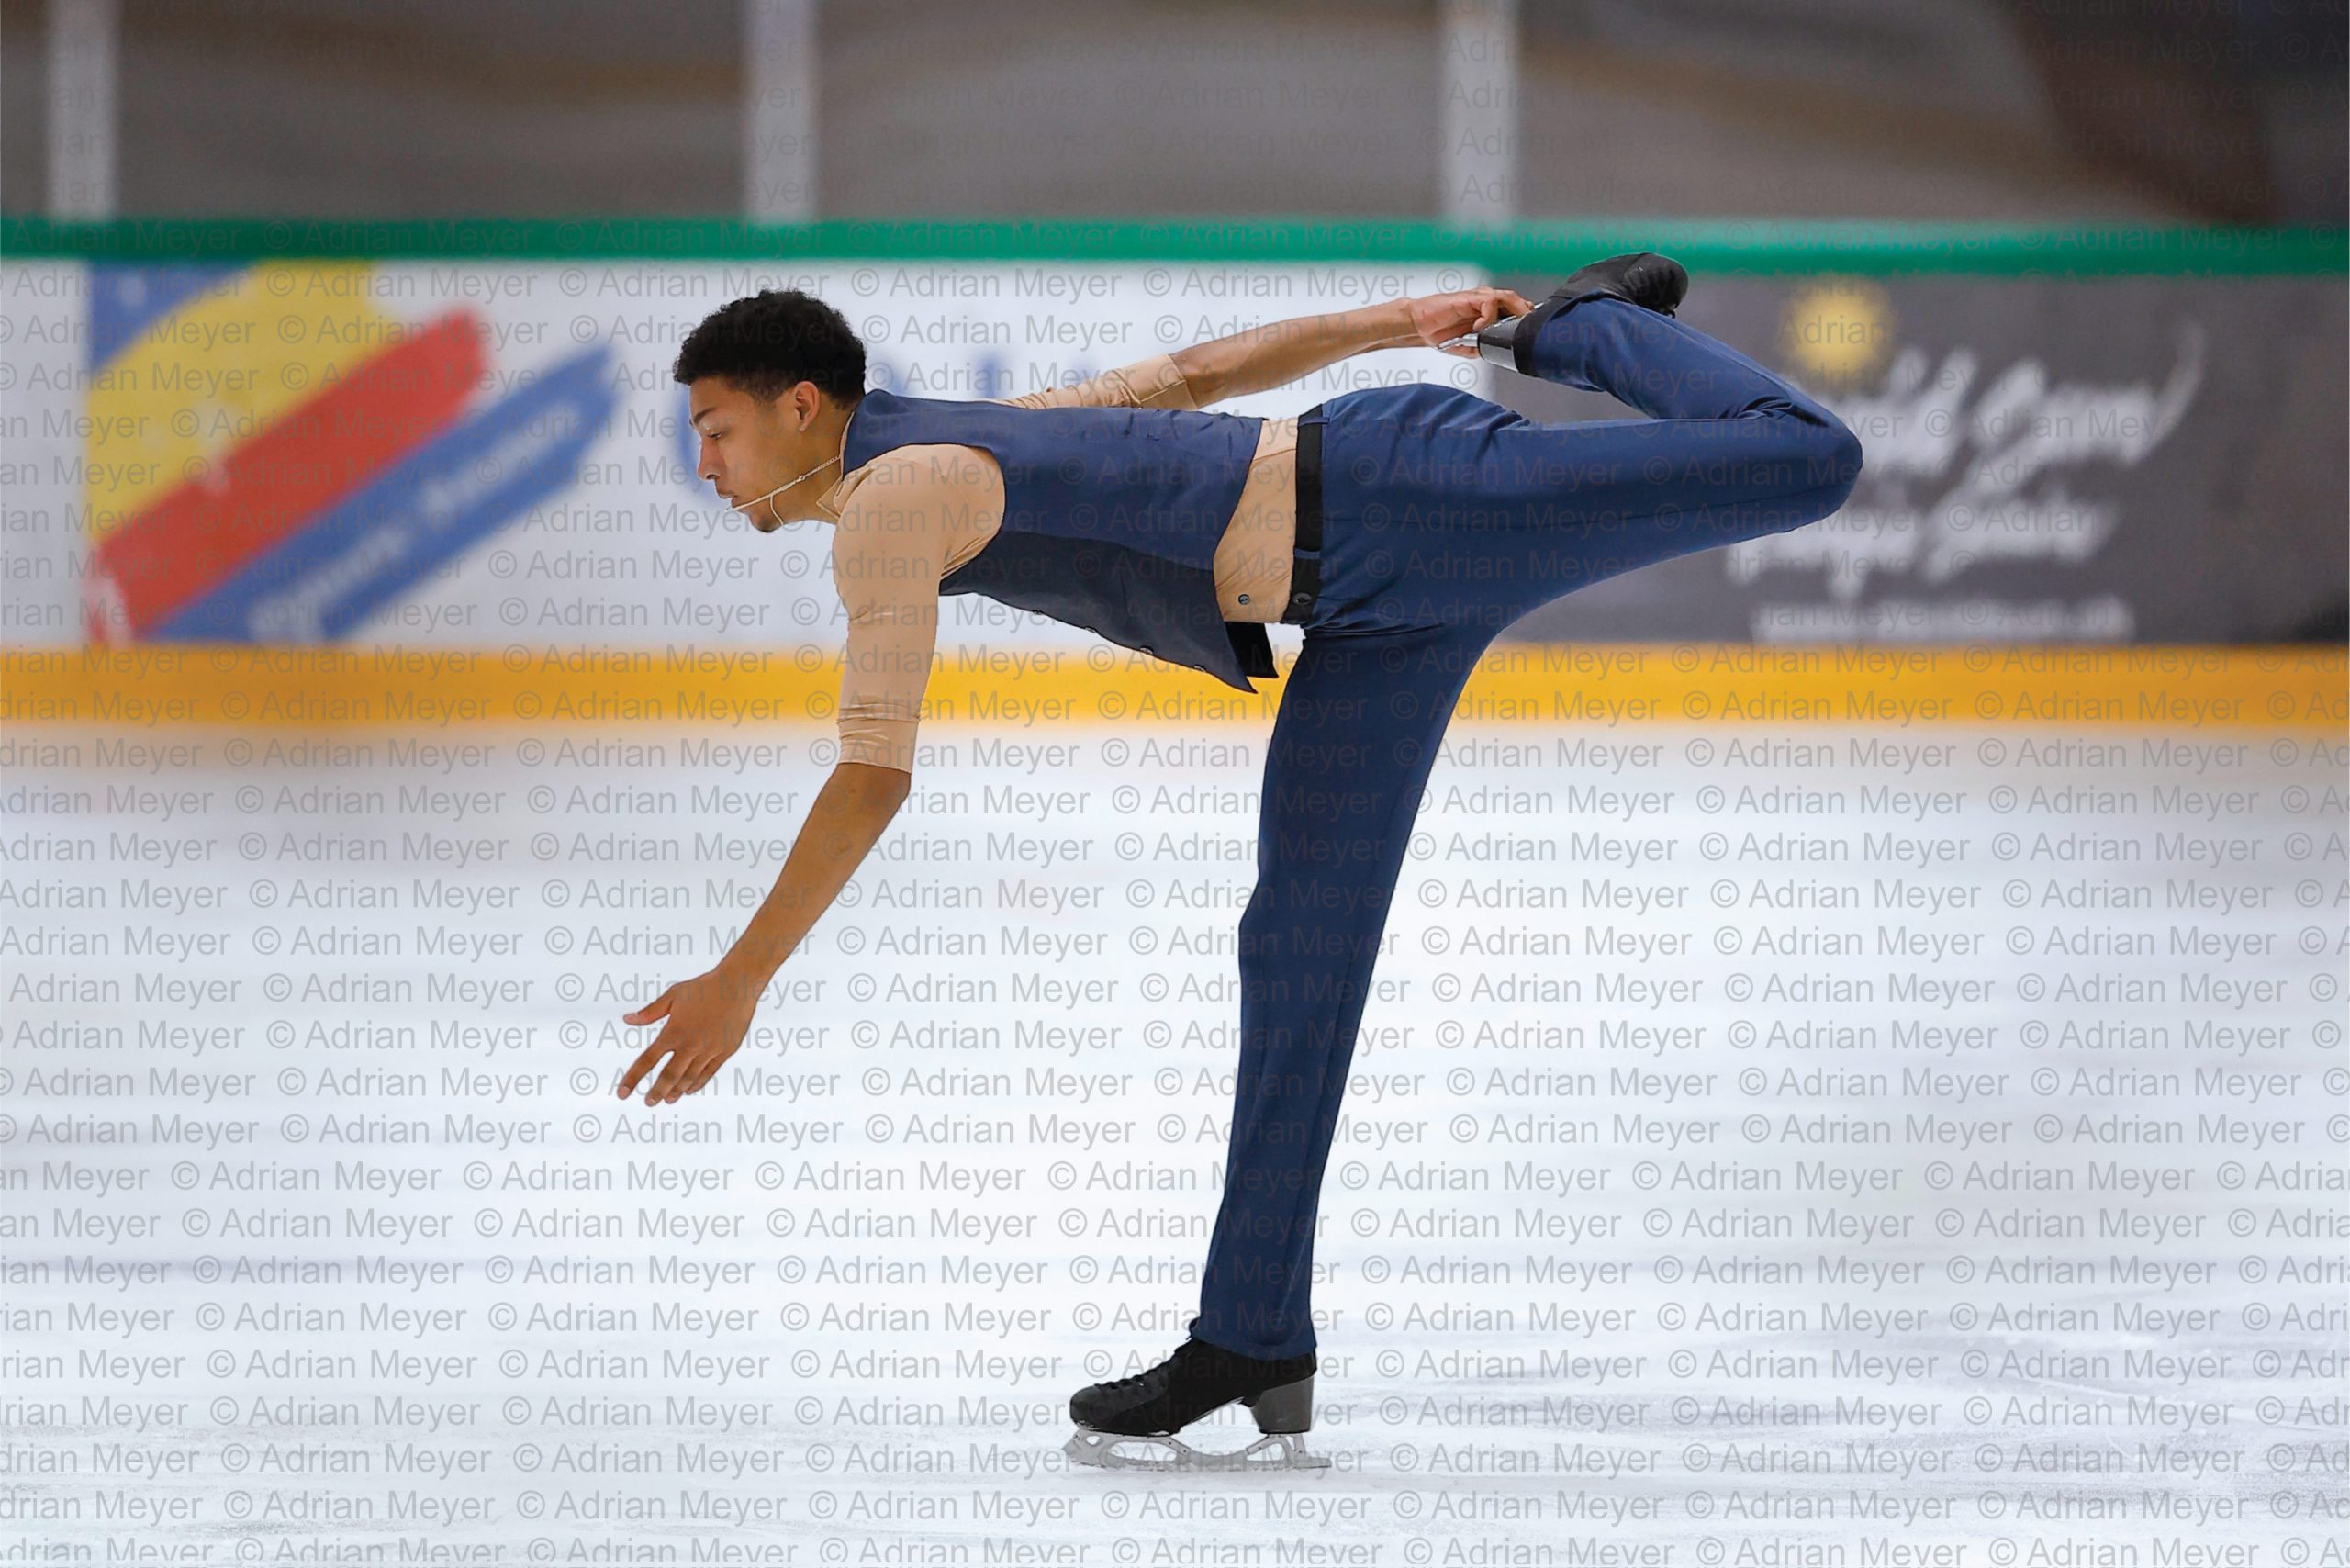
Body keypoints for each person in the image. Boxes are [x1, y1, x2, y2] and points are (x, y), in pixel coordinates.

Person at [621, 255, 1864, 1470]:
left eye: (718, 430)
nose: (707, 466)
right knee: (1296, 948)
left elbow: (874, 773)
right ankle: (1251, 1335)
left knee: (1810, 456)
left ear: (801, 407)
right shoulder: (971, 433)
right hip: (1366, 611)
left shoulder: (891, 503)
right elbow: (1198, 373)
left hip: (1415, 498)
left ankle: (1586, 329)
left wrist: (741, 978)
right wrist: (1391, 317)